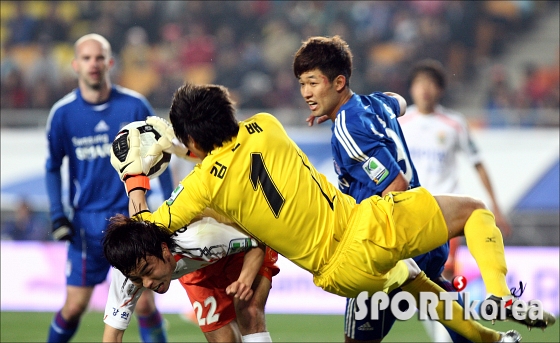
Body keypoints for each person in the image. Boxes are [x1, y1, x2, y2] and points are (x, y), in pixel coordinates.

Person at [112, 82, 556, 343]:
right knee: (475, 213)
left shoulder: (200, 187)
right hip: (361, 230)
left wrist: (136, 175)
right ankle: (497, 294)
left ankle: (496, 340)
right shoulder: (266, 125)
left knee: (423, 291)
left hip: (339, 275)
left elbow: (150, 225)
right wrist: (184, 143)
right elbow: (228, 150)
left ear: (196, 143)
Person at [292, 35, 468, 343]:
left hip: (388, 248)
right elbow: (397, 101)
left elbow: (395, 187)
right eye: (302, 84)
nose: (306, 93)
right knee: (447, 310)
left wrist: (386, 252)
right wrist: (331, 111)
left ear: (338, 82)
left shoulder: (349, 129)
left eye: (313, 83)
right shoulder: (371, 103)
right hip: (424, 236)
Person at [45, 33, 174, 343]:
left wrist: (170, 203)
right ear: (75, 64)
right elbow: (52, 167)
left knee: (144, 303)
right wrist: (56, 215)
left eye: (99, 57)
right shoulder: (62, 114)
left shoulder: (133, 105)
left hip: (129, 216)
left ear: (110, 62)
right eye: (87, 58)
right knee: (75, 306)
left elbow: (163, 152)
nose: (94, 63)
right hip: (86, 223)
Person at [398, 58, 513, 342]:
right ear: (411, 89)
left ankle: (446, 337)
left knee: (442, 277)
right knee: (412, 281)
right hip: (410, 212)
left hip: (446, 214)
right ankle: (449, 331)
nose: (425, 90)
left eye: (431, 84)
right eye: (419, 84)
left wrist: (495, 206)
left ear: (440, 90)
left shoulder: (453, 124)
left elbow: (478, 162)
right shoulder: (400, 122)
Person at [102, 212, 278, 342]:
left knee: (249, 311)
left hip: (243, 247)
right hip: (198, 271)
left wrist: (245, 280)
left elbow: (258, 238)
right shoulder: (127, 272)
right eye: (137, 279)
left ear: (164, 250)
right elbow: (113, 334)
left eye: (148, 271)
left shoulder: (202, 237)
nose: (146, 284)